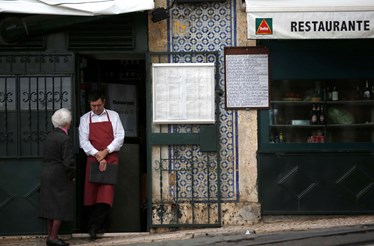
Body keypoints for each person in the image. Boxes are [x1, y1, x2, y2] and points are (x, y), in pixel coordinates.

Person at [78, 90, 125, 240]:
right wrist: (98, 155)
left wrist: (106, 151)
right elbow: (83, 141)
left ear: (104, 102)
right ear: (89, 104)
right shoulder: (84, 119)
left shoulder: (114, 115)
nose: (96, 109)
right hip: (93, 159)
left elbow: (120, 137)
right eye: (93, 106)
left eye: (98, 105)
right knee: (91, 194)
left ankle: (95, 226)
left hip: (110, 158)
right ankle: (95, 226)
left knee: (106, 193)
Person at [39, 108, 76, 246]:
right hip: (59, 175)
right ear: (67, 122)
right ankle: (53, 237)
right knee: (60, 206)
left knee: (51, 207)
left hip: (47, 173)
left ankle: (50, 237)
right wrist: (72, 175)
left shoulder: (49, 136)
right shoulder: (65, 138)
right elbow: (68, 162)